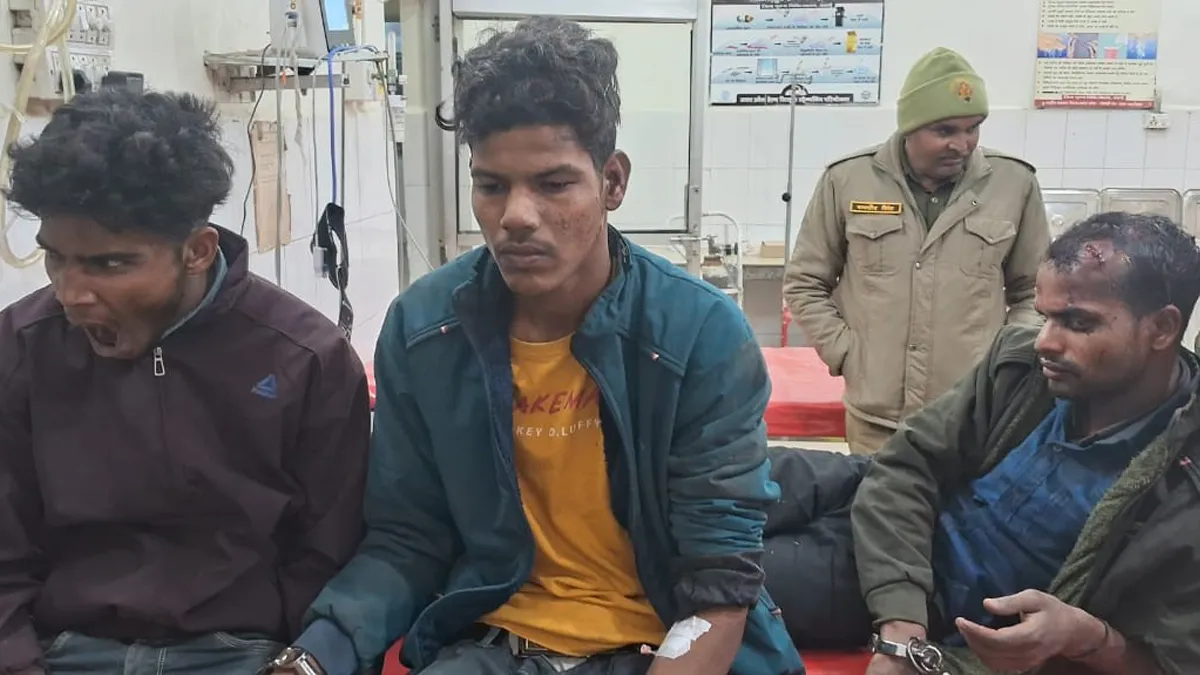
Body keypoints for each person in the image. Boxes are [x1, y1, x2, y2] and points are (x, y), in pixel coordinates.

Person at [263, 16, 802, 675]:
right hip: (492, 649)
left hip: (659, 646)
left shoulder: (698, 332)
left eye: (552, 183)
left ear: (612, 182)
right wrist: (314, 656)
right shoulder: (425, 329)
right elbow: (408, 538)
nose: (515, 215)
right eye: (491, 185)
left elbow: (718, 582)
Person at [0, 89, 371, 675]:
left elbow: (330, 554)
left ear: (197, 251)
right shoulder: (20, 348)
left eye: (109, 263)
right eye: (56, 258)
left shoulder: (305, 359)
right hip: (63, 650)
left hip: (242, 653)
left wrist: (303, 659)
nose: (71, 294)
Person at [764, 212, 1200, 675]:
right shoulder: (1020, 365)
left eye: (1077, 322)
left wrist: (1089, 638)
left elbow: (1175, 663)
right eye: (1045, 316)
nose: (1045, 342)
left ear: (1161, 328)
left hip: (913, 583)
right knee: (726, 474)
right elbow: (906, 466)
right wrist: (900, 630)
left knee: (722, 571)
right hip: (888, 513)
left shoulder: (1185, 489)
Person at [783, 47, 1051, 454]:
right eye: (945, 131)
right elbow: (805, 283)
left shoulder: (1014, 184)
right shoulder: (849, 180)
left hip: (972, 416)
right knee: (877, 498)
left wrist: (1004, 360)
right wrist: (847, 353)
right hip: (876, 421)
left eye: (973, 128)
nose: (962, 144)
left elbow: (1036, 292)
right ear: (909, 126)